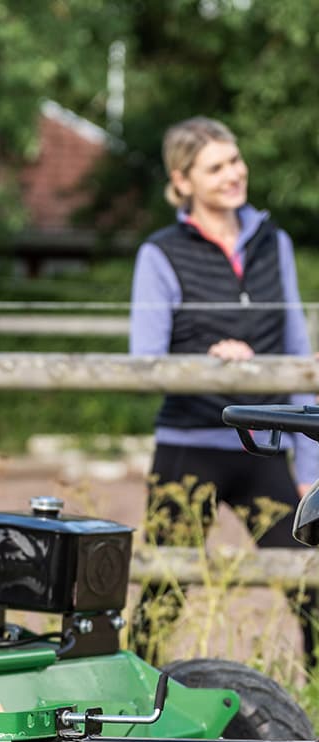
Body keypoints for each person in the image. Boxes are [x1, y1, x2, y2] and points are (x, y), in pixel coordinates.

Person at [128, 115, 318, 664]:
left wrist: (309, 465)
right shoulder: (160, 253)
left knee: (310, 585)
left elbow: (298, 351)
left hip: (265, 449)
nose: (233, 174)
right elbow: (145, 359)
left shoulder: (273, 243)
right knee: (165, 593)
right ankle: (137, 699)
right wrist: (207, 362)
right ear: (182, 179)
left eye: (235, 160)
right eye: (215, 167)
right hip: (189, 447)